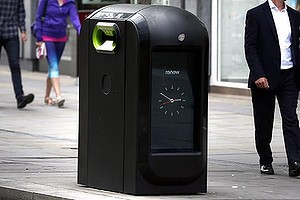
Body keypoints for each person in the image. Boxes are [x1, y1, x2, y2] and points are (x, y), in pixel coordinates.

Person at [244, 0, 300, 177]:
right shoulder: (255, 14)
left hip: (289, 76)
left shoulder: (295, 15)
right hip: (264, 77)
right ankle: (265, 161)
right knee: (263, 122)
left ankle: (295, 162)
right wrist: (258, 74)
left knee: (291, 118)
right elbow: (250, 47)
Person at [34, 0, 81, 107]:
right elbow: (38, 17)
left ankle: (46, 96)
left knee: (52, 67)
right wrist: (39, 37)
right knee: (54, 65)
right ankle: (59, 96)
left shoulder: (70, 3)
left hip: (61, 38)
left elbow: (75, 19)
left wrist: (81, 31)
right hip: (47, 36)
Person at [0, 0, 35, 109]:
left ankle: (20, 98)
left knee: (15, 65)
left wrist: (23, 31)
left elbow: (20, 11)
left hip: (11, 33)